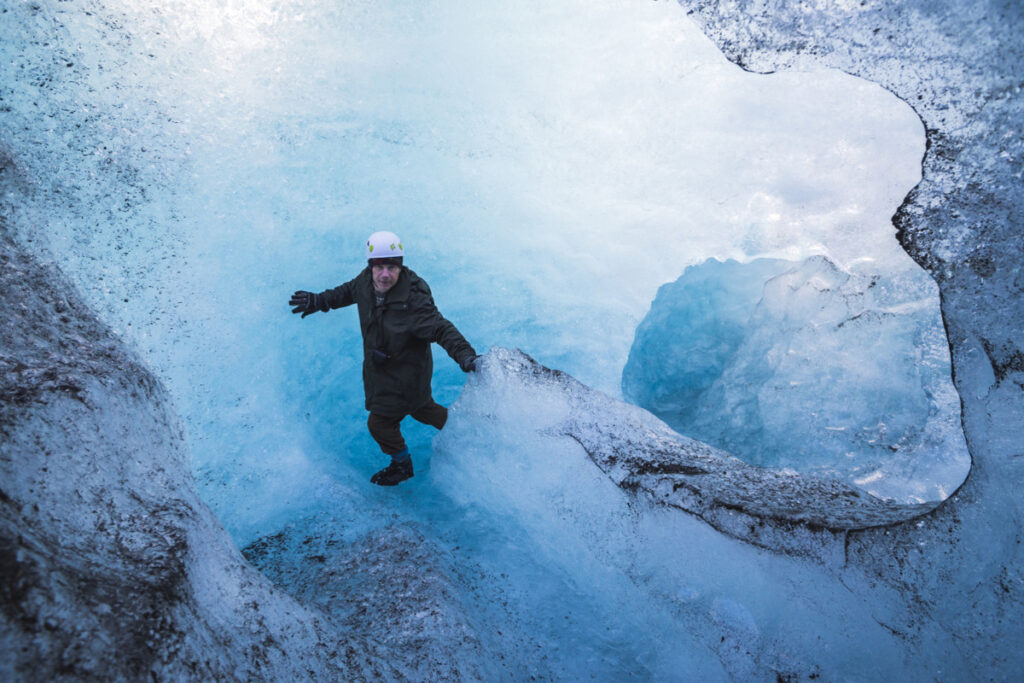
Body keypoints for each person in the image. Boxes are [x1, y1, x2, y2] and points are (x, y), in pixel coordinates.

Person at [289, 231, 478, 486]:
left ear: (400, 267)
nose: (385, 274)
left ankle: (402, 465)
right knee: (422, 409)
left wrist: (465, 355)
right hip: (385, 371)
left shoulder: (414, 300)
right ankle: (467, 433)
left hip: (405, 375)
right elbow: (347, 292)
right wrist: (318, 301)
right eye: (379, 267)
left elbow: (441, 328)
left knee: (380, 424)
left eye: (392, 267)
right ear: (371, 266)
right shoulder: (365, 282)